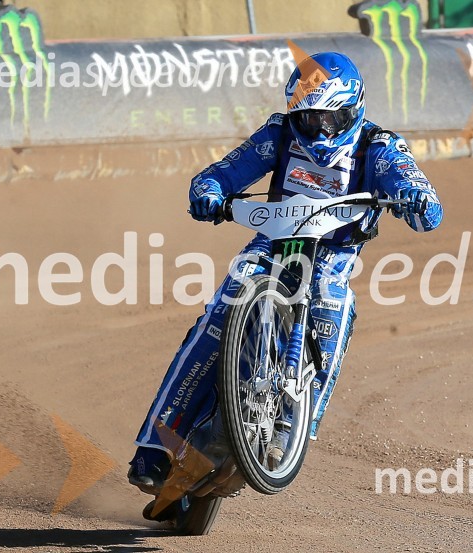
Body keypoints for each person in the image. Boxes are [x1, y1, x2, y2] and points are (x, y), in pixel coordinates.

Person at [128, 51, 443, 494]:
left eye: (330, 120)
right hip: (271, 242)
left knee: (334, 306)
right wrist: (209, 191)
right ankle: (154, 446)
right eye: (308, 120)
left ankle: (291, 430)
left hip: (333, 254)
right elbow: (223, 172)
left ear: (354, 108)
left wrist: (415, 198)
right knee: (217, 319)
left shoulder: (379, 146)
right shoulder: (277, 133)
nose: (319, 131)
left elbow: (417, 190)